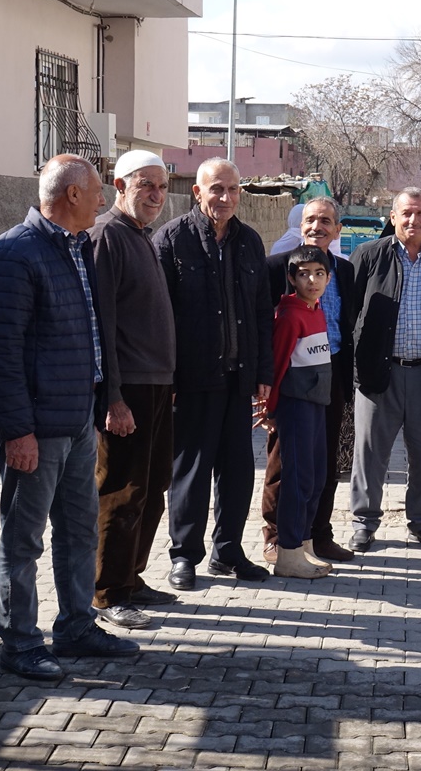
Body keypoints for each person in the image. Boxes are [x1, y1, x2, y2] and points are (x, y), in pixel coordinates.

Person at [0, 154, 138, 681]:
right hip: (35, 431)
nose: (103, 202)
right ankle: (20, 643)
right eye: (95, 193)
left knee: (78, 532)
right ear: (70, 196)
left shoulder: (74, 249)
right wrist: (16, 431)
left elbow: (86, 339)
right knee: (23, 540)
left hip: (75, 424)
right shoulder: (12, 256)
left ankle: (75, 627)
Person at [155, 158, 273, 590]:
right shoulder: (171, 240)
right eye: (217, 190)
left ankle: (228, 552)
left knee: (238, 471)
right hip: (192, 380)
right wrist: (166, 378)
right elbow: (160, 317)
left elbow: (262, 311)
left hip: (238, 379)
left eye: (233, 190)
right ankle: (184, 555)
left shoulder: (250, 243)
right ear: (197, 193)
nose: (225, 198)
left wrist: (263, 371)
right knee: (190, 472)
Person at [347, 188, 421, 552]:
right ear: (393, 216)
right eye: (406, 214)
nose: (413, 220)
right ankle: (364, 523)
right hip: (377, 376)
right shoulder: (369, 255)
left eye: (420, 214)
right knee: (370, 454)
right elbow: (350, 309)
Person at [88, 150, 177, 631]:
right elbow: (103, 324)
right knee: (122, 490)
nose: (155, 195)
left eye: (161, 187)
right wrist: (113, 396)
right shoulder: (108, 236)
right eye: (145, 185)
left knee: (154, 485)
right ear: (119, 186)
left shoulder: (141, 237)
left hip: (157, 385)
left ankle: (132, 577)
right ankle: (108, 591)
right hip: (129, 390)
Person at [260, 197, 355, 565]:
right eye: (311, 220)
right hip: (291, 378)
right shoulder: (278, 268)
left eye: (326, 221)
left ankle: (317, 533)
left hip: (330, 373)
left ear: (337, 229)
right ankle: (276, 536)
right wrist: (267, 387)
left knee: (323, 460)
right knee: (283, 460)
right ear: (301, 226)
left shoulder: (344, 271)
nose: (318, 227)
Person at [260, 246, 334, 578]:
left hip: (316, 405)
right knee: (297, 476)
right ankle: (287, 551)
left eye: (319, 273)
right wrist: (270, 408)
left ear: (328, 278)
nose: (312, 280)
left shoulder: (315, 311)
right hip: (294, 406)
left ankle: (304, 543)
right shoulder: (289, 316)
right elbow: (276, 366)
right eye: (303, 274)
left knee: (316, 475)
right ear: (291, 278)